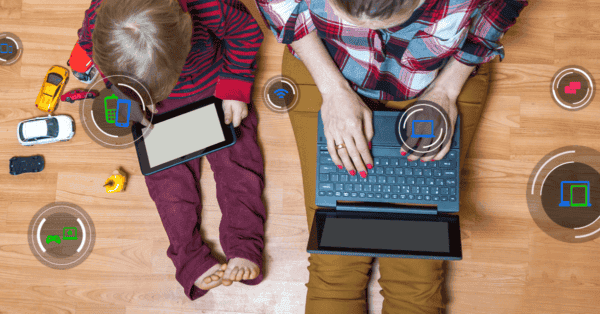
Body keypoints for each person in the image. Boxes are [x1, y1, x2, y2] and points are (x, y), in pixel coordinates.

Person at [257, 0, 527, 312]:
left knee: (416, 276)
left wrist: (446, 91)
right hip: (325, 64)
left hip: (441, 77)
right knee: (334, 268)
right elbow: (279, 5)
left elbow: (501, 8)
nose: (368, 32)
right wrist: (332, 90)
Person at [77, 0, 266, 300]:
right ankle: (190, 259)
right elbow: (88, 43)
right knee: (168, 186)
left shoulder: (210, 7)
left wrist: (235, 85)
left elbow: (247, 33)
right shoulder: (98, 18)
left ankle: (244, 244)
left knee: (239, 165)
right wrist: (128, 93)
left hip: (216, 93)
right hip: (158, 111)